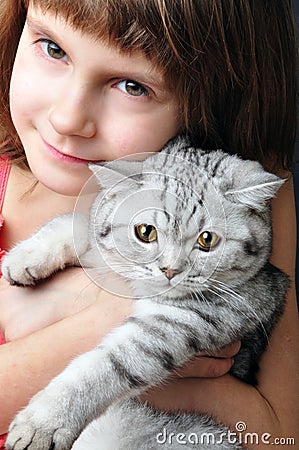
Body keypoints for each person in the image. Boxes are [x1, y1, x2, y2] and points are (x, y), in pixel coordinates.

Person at [0, 0, 298, 449]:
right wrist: (103, 322)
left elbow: (276, 438)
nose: (67, 118)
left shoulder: (242, 201)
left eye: (131, 85)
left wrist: (101, 318)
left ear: (207, 101)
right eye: (53, 49)